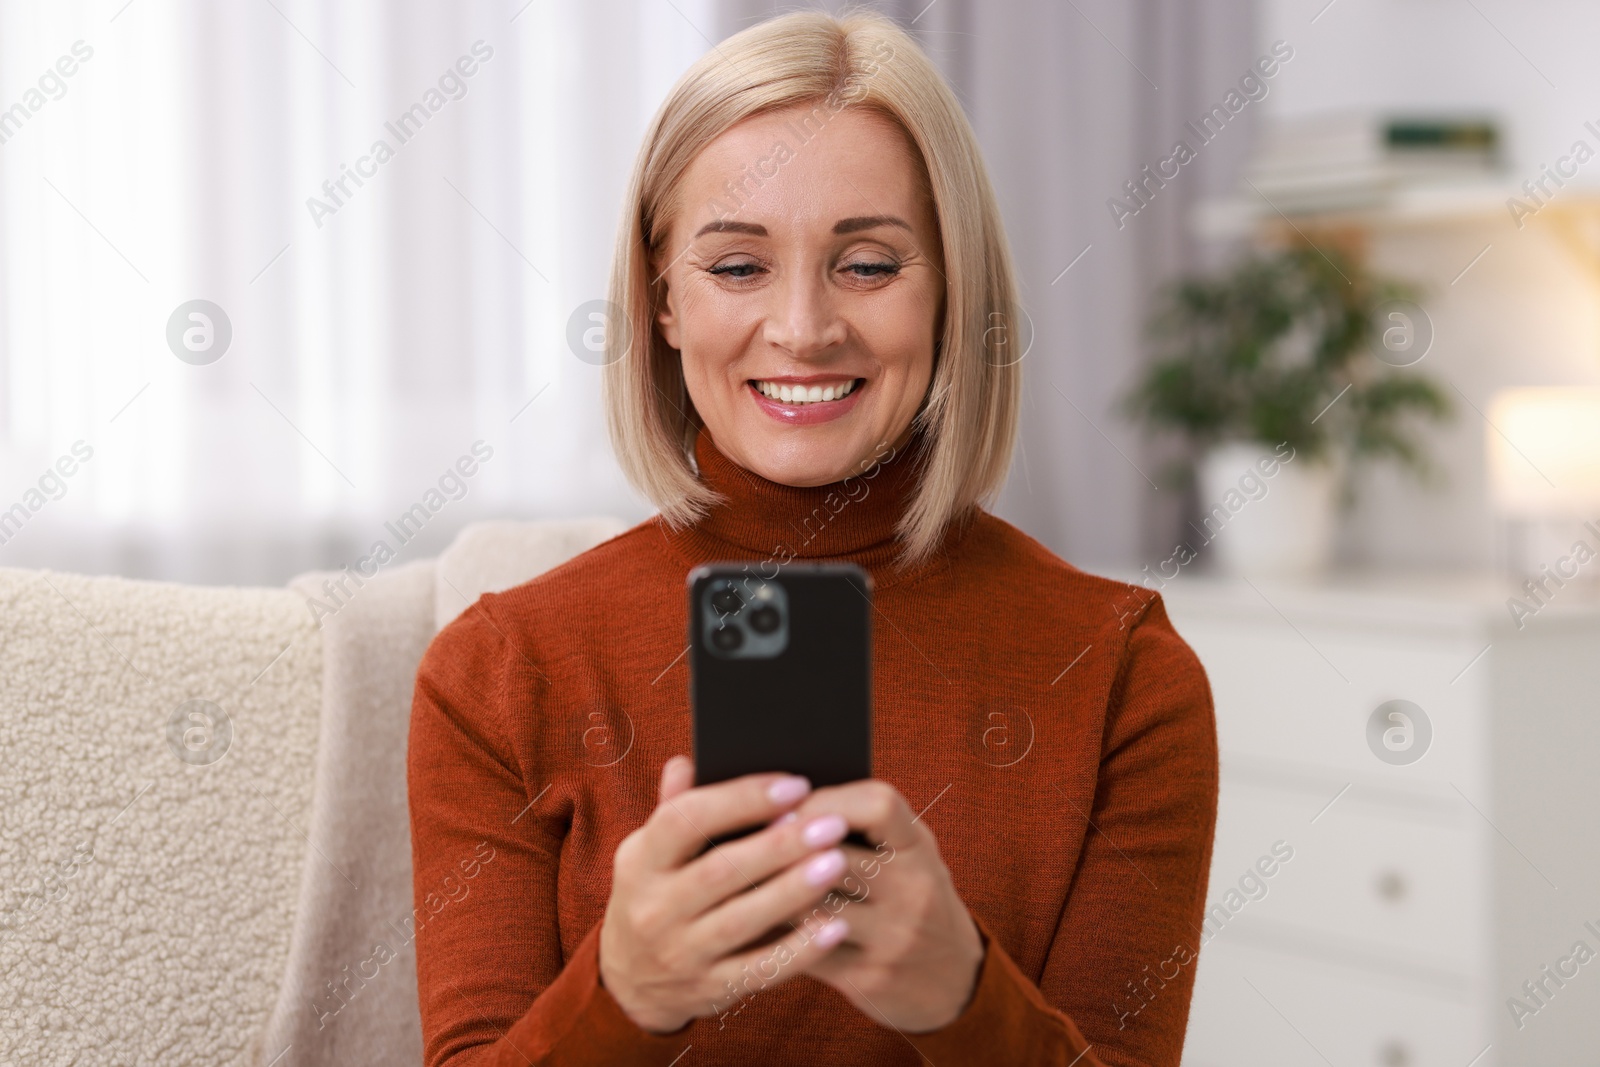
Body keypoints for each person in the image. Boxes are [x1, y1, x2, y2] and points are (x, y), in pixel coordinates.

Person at [407, 9, 1217, 1065]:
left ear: (951, 294)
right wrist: (624, 993)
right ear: (661, 301)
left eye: (868, 265)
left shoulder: (1126, 674)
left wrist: (961, 996)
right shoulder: (496, 673)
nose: (802, 327)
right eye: (737, 267)